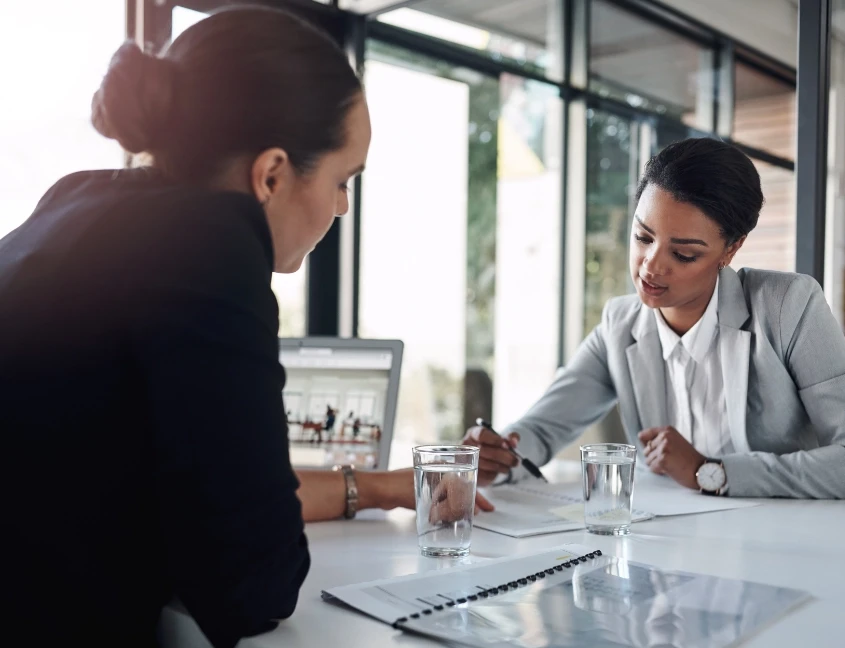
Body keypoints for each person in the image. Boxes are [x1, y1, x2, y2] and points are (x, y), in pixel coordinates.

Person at [0, 8, 490, 648]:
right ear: (272, 175)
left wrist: (368, 488)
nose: (342, 206)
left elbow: (190, 488)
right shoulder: (207, 249)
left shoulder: (80, 199)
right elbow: (251, 584)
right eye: (343, 181)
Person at [463, 138, 845, 500]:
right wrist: (501, 454)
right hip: (667, 548)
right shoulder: (621, 323)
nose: (651, 267)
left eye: (684, 253)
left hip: (782, 546)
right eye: (642, 237)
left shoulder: (787, 307)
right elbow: (544, 428)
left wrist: (711, 471)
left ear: (731, 249)